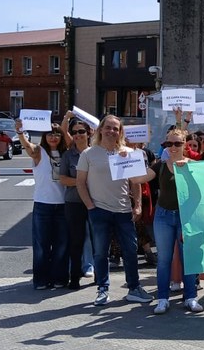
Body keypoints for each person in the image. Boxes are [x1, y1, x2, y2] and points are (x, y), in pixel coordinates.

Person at [76, 114, 153, 307]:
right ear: (101, 129)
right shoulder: (88, 154)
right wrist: (90, 206)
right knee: (101, 252)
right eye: (108, 127)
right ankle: (103, 289)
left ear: (120, 132)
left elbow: (135, 182)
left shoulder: (128, 152)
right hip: (99, 210)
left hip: (124, 211)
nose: (111, 131)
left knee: (130, 251)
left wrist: (137, 205)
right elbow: (80, 182)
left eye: (115, 128)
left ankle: (134, 288)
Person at [139, 127, 204, 315]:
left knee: (187, 258)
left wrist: (188, 170)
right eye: (169, 143)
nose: (173, 147)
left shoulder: (193, 165)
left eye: (177, 143)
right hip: (163, 216)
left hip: (186, 216)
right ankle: (162, 299)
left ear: (184, 145)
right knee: (163, 259)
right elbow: (138, 178)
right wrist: (125, 160)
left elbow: (201, 191)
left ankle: (190, 297)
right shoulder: (159, 165)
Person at [17, 119, 69, 290]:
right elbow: (27, 146)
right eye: (50, 134)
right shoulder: (39, 151)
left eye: (57, 135)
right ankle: (40, 280)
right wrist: (20, 132)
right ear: (44, 137)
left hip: (63, 205)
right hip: (43, 205)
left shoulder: (66, 153)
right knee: (41, 245)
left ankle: (59, 278)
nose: (53, 138)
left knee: (61, 245)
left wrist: (67, 119)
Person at [59, 114, 95, 289]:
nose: (78, 135)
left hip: (96, 202)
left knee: (98, 241)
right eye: (74, 132)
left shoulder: (96, 153)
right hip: (74, 203)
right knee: (76, 241)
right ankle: (74, 277)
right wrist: (81, 182)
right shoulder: (68, 155)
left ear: (88, 133)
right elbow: (63, 179)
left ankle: (100, 278)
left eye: (81, 131)